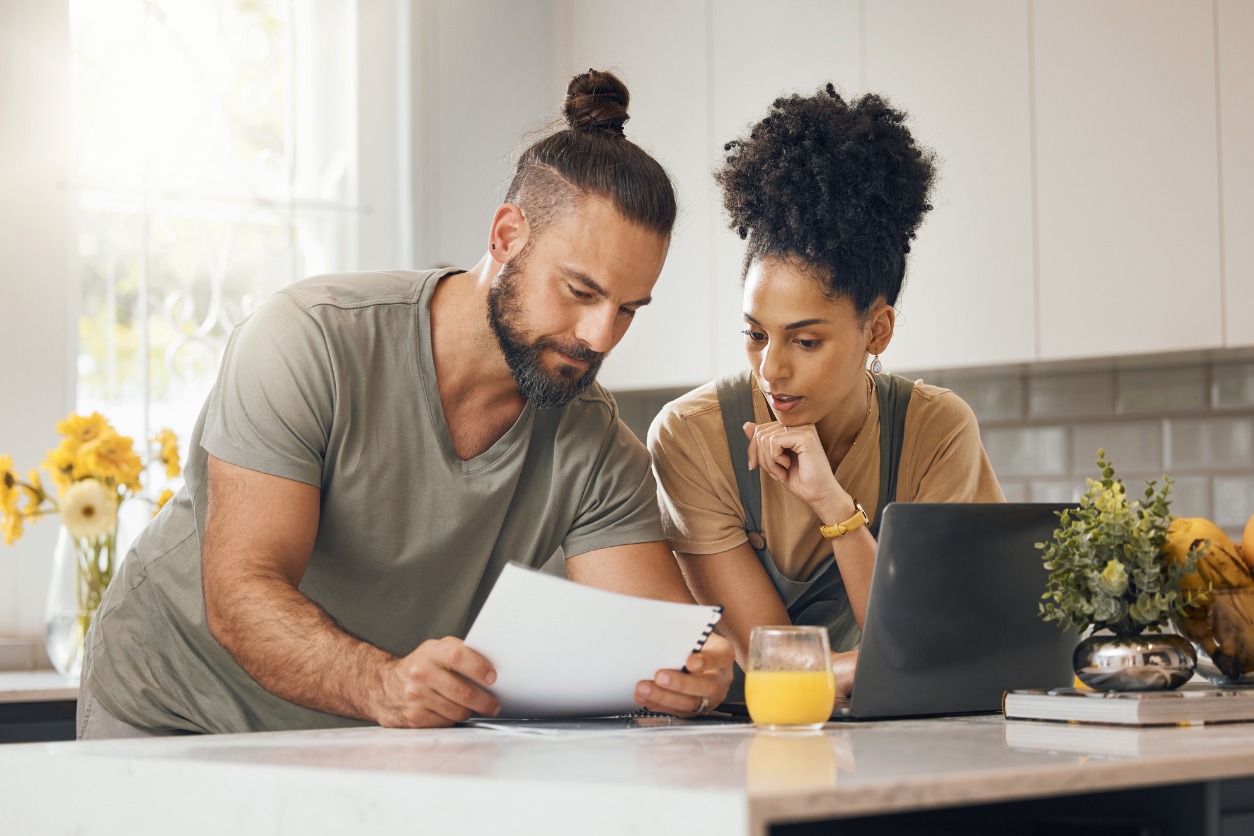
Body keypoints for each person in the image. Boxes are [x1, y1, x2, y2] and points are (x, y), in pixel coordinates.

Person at [78, 69, 733, 738]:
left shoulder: (596, 446)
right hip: (169, 707)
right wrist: (380, 684)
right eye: (580, 292)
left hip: (352, 734)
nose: (600, 338)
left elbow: (661, 643)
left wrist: (695, 674)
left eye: (628, 309)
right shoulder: (308, 339)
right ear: (506, 236)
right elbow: (243, 595)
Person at [647, 84, 1003, 698]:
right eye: (755, 334)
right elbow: (777, 668)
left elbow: (927, 652)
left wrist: (834, 506)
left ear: (878, 329)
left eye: (806, 342)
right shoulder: (694, 437)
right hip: (747, 750)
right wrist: (861, 668)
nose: (771, 370)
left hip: (908, 745)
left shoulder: (936, 432)